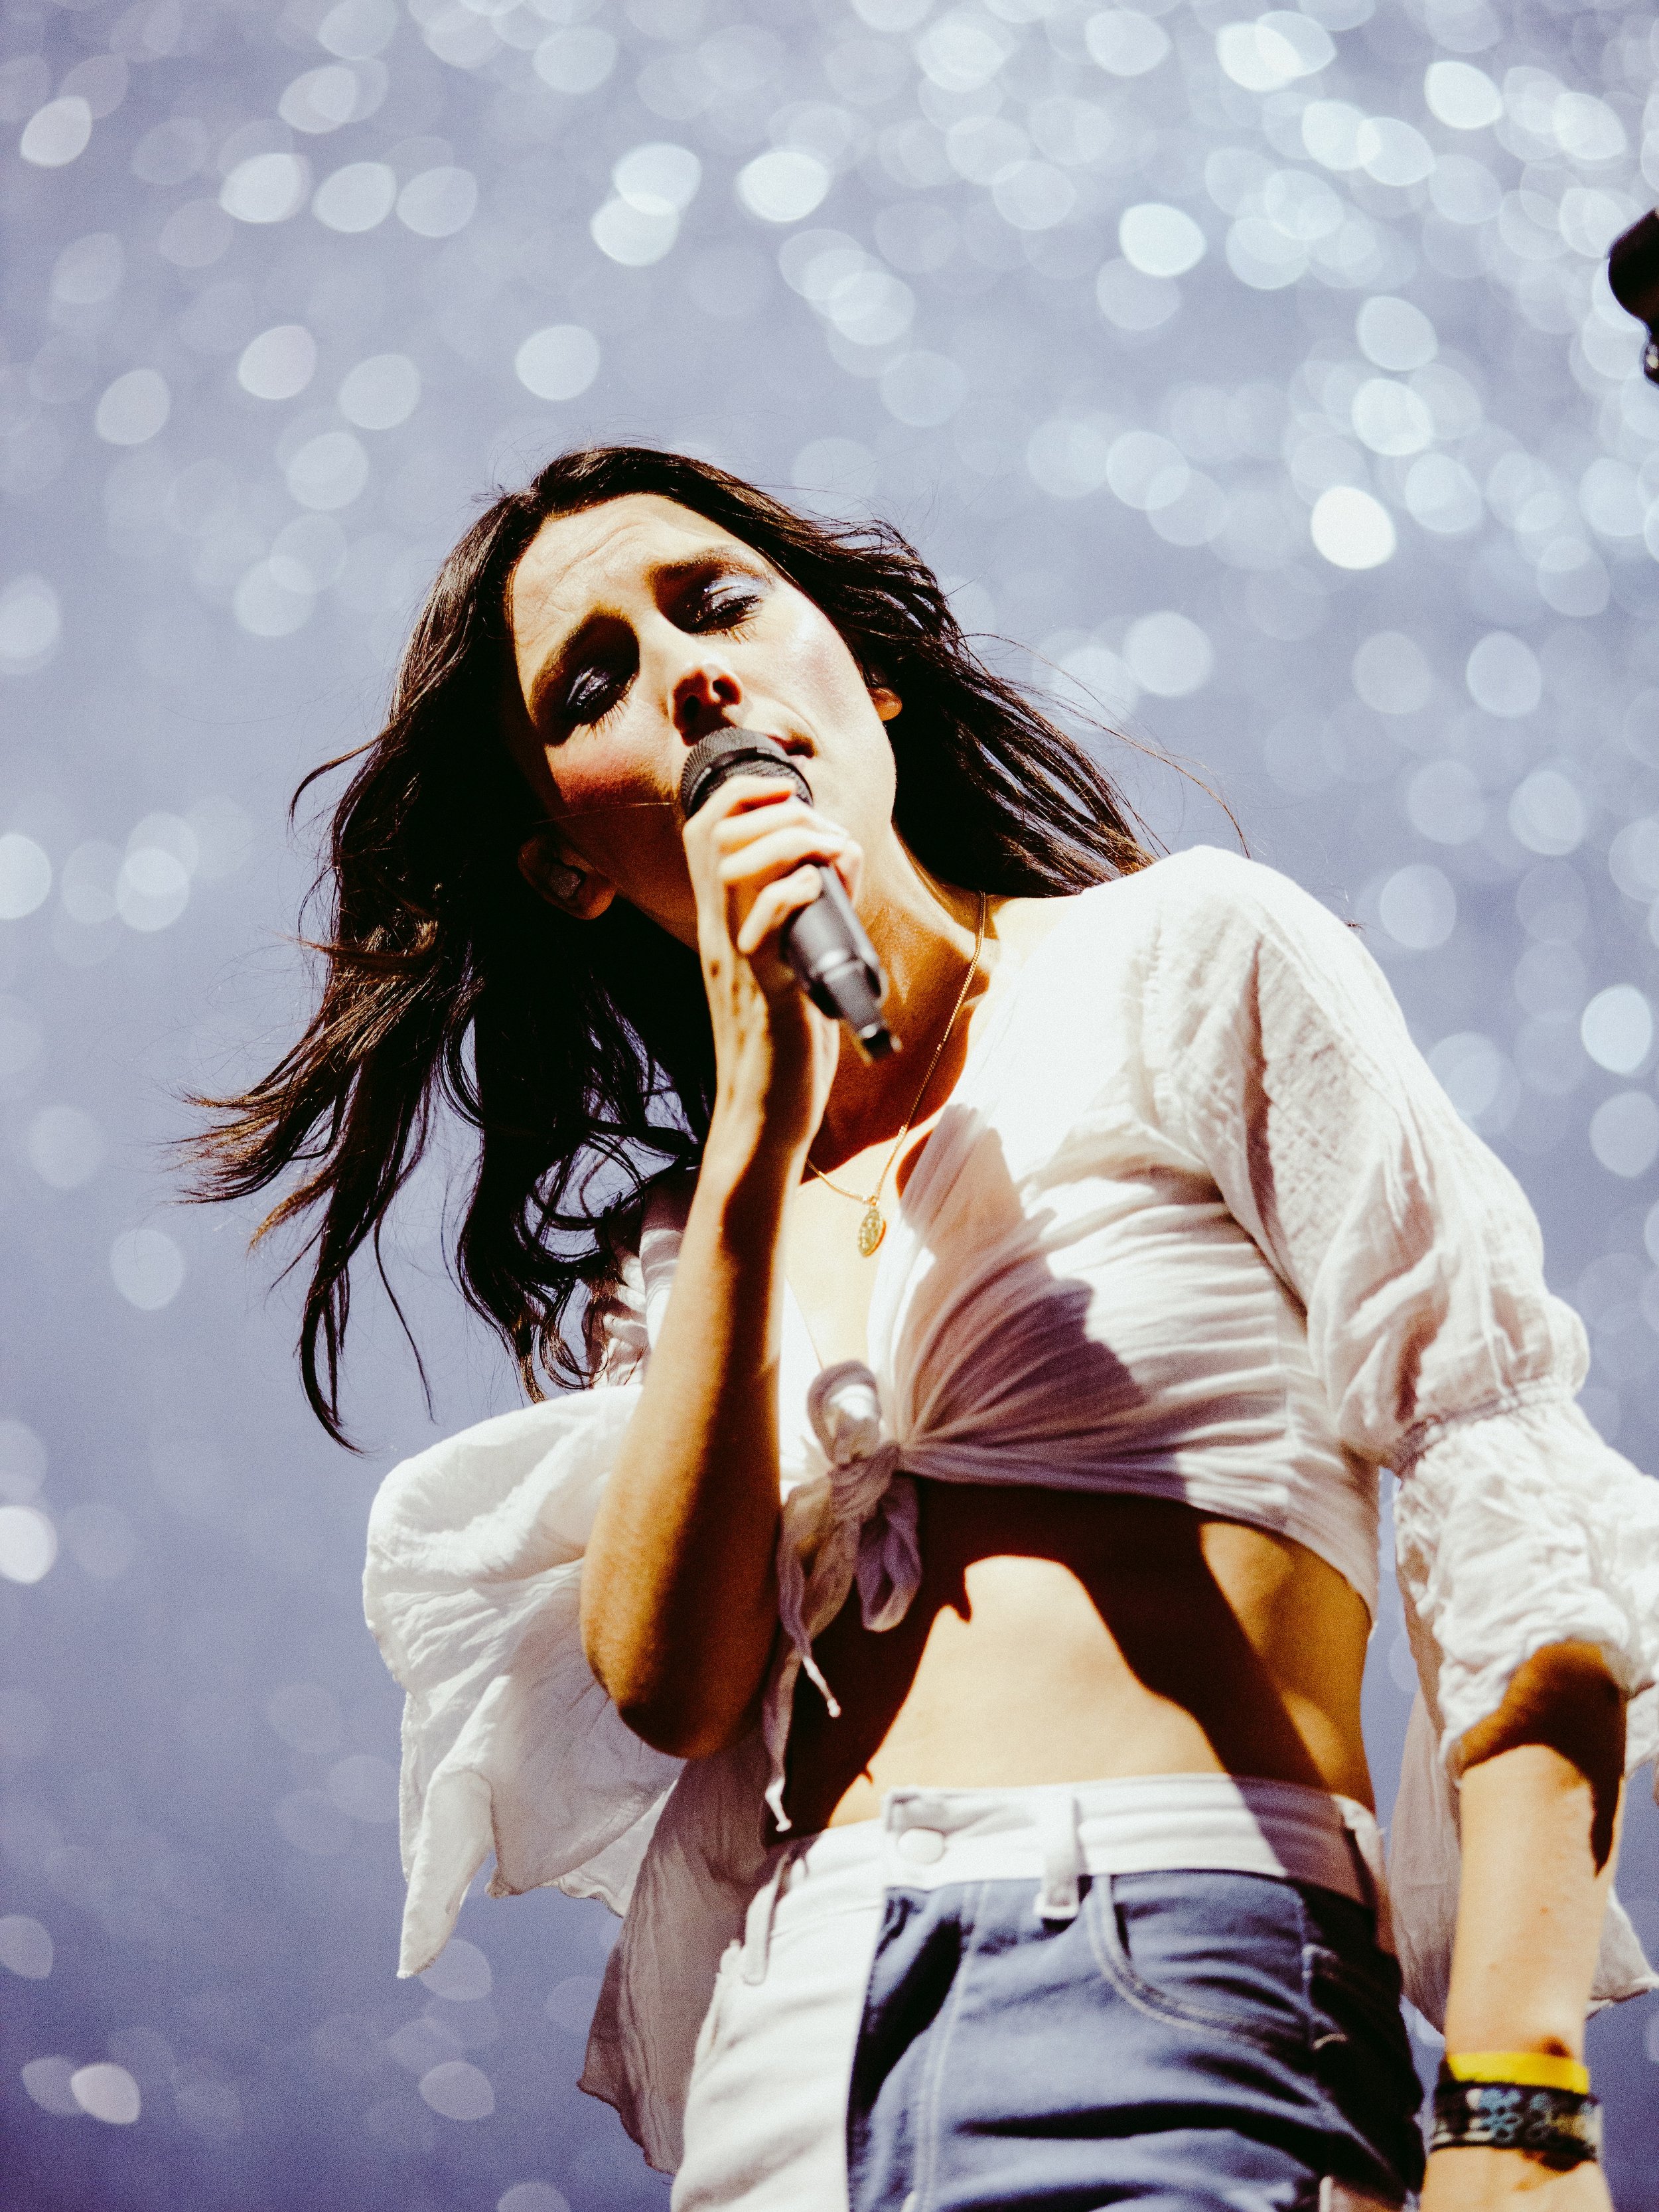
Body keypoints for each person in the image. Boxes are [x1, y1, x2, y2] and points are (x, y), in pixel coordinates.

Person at [197, 445, 1659, 2211]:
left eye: (717, 605)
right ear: (567, 860)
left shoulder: (1184, 958)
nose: (691, 677)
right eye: (594, 685)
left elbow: (1500, 1466)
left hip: (1173, 1954)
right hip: (792, 2049)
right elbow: (671, 1684)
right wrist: (753, 1138)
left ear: (868, 675)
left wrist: (1516, 2098)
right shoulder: (683, 1257)